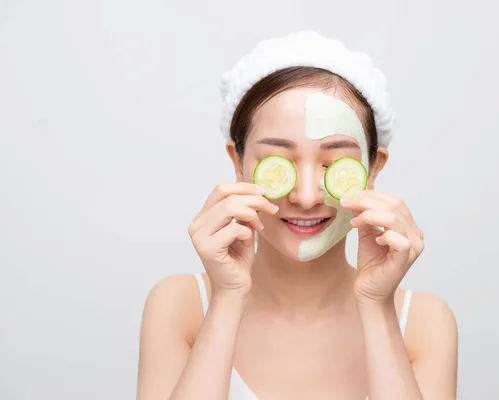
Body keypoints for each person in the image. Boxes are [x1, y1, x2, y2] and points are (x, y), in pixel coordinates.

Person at [137, 31, 458, 400]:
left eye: (335, 164)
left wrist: (376, 306)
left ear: (373, 167)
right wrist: (228, 298)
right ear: (237, 161)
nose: (306, 197)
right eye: (280, 162)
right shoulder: (180, 304)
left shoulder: (423, 322)